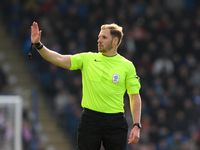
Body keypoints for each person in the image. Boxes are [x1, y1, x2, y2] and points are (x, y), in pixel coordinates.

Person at [31, 21, 142, 150]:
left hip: (115, 121)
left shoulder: (127, 66)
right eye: (99, 37)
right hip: (90, 120)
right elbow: (59, 59)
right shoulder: (88, 59)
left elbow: (134, 96)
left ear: (115, 41)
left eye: (104, 37)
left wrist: (136, 125)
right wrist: (38, 45)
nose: (99, 40)